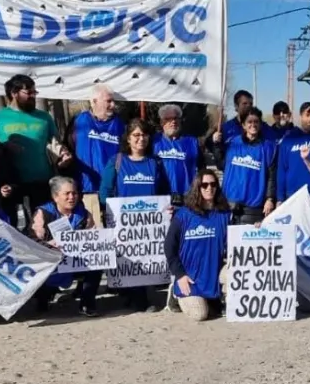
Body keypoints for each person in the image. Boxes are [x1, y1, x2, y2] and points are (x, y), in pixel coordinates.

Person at [98, 118, 166, 311]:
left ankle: (135, 297)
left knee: (146, 259)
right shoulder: (117, 161)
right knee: (130, 261)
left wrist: (166, 208)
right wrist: (115, 211)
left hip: (150, 225)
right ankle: (139, 301)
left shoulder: (156, 163)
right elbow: (104, 193)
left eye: (144, 135)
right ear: (128, 138)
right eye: (136, 135)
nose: (141, 139)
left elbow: (163, 192)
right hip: (124, 224)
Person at [0, 74, 72, 217]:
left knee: (43, 227)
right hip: (11, 184)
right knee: (16, 229)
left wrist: (63, 154)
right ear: (14, 93)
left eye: (34, 92)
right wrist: (3, 146)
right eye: (28, 93)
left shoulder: (44, 117)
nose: (33, 96)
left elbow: (57, 143)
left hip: (42, 182)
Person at [30, 176, 101, 318]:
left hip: (77, 261)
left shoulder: (84, 214)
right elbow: (32, 240)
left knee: (98, 263)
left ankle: (87, 303)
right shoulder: (44, 213)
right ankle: (43, 299)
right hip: (50, 262)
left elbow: (93, 237)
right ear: (55, 197)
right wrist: (49, 244)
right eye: (67, 194)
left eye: (74, 193)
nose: (71, 197)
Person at [165, 170, 231, 321]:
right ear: (197, 187)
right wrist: (180, 275)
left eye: (213, 184)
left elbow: (234, 242)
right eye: (204, 185)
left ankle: (216, 299)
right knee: (199, 315)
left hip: (213, 272)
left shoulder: (224, 215)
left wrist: (256, 228)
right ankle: (175, 295)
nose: (209, 188)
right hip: (190, 277)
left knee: (236, 272)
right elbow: (169, 247)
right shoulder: (183, 215)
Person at [65, 84, 124, 226]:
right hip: (86, 190)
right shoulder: (79, 121)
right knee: (92, 232)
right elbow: (67, 148)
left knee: (113, 231)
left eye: (113, 101)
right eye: (108, 101)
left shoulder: (121, 125)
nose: (113, 105)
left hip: (112, 190)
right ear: (94, 101)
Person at [209, 107, 277, 224]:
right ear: (243, 125)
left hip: (253, 208)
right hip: (228, 204)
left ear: (260, 124)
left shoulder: (268, 147)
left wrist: (270, 198)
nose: (253, 125)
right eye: (249, 122)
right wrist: (215, 144)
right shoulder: (232, 143)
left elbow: (272, 176)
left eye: (256, 122)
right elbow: (221, 164)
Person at [153, 104, 203, 204]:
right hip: (161, 199)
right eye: (168, 119)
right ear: (162, 122)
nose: (173, 122)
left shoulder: (192, 142)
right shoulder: (153, 141)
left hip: (187, 199)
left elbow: (202, 170)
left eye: (176, 118)